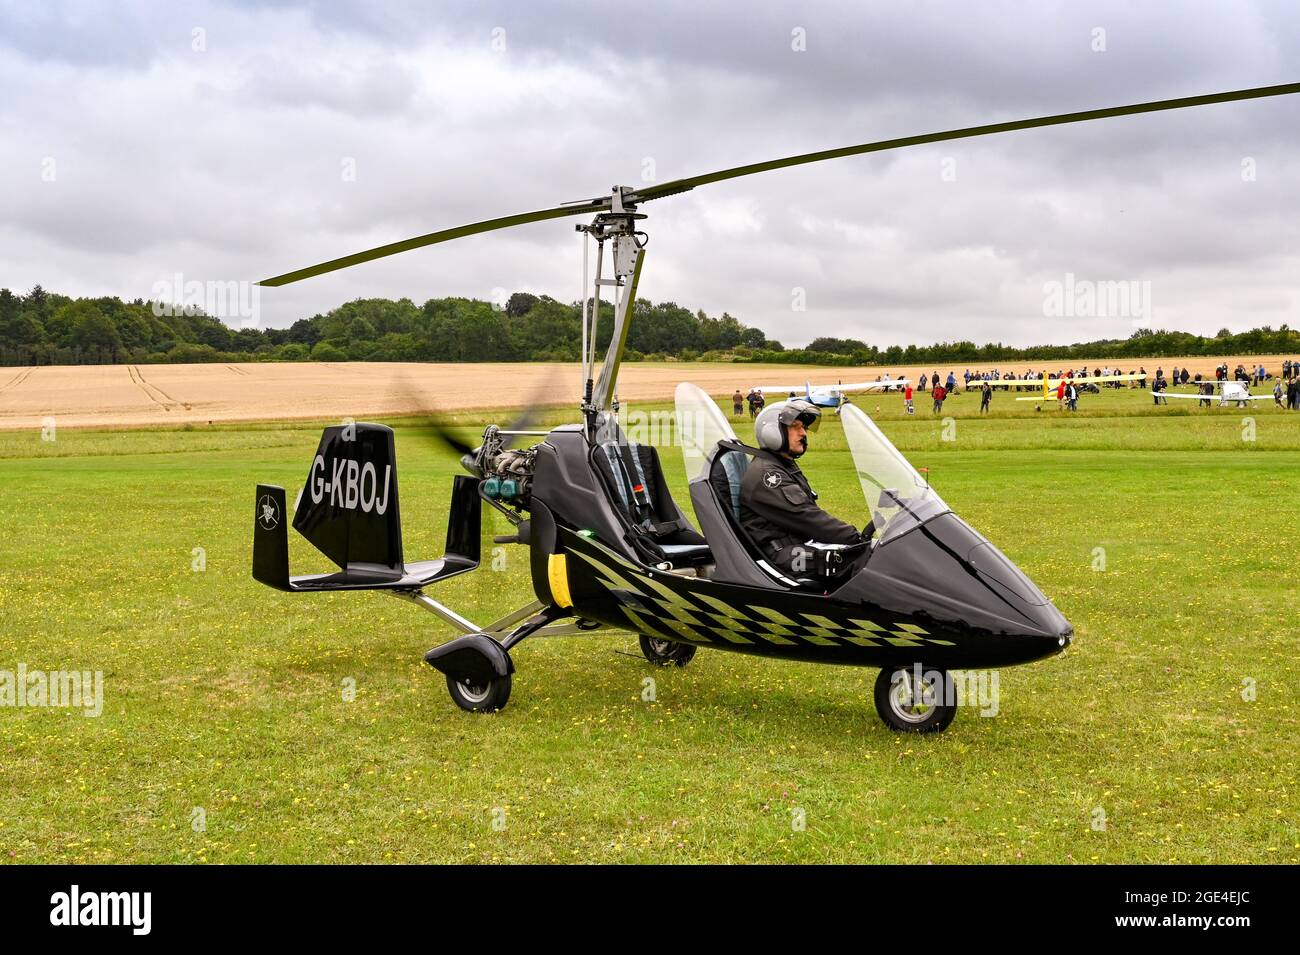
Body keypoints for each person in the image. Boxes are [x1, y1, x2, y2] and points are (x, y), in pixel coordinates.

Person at [739, 399, 869, 577]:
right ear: (771, 431)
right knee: (860, 562)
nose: (803, 433)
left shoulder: (781, 465)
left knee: (866, 555)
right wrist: (856, 537)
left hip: (795, 546)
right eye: (795, 426)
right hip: (779, 555)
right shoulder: (767, 474)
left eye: (804, 428)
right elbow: (807, 517)